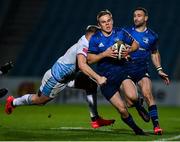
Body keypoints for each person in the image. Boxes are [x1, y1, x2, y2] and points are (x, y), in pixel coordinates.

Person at [5, 25, 115, 128]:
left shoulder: (88, 42)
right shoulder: (84, 45)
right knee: (40, 101)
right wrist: (98, 77)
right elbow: (83, 66)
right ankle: (13, 102)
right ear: (92, 35)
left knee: (91, 85)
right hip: (56, 79)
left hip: (70, 76)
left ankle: (95, 119)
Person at [87, 10, 146, 135]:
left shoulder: (120, 32)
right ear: (99, 24)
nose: (107, 24)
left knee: (133, 97)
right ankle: (137, 130)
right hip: (106, 79)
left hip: (122, 71)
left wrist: (128, 50)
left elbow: (136, 44)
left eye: (109, 21)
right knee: (122, 109)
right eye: (104, 22)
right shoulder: (95, 38)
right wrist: (104, 54)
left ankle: (138, 106)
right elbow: (89, 59)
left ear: (112, 20)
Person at [122, 7, 170, 135]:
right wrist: (122, 53)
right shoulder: (126, 32)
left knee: (148, 94)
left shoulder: (152, 36)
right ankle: (138, 105)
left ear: (146, 18)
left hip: (142, 70)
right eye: (134, 16)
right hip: (126, 69)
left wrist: (159, 70)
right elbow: (118, 47)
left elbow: (154, 53)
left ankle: (156, 125)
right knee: (131, 99)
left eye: (139, 15)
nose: (136, 18)